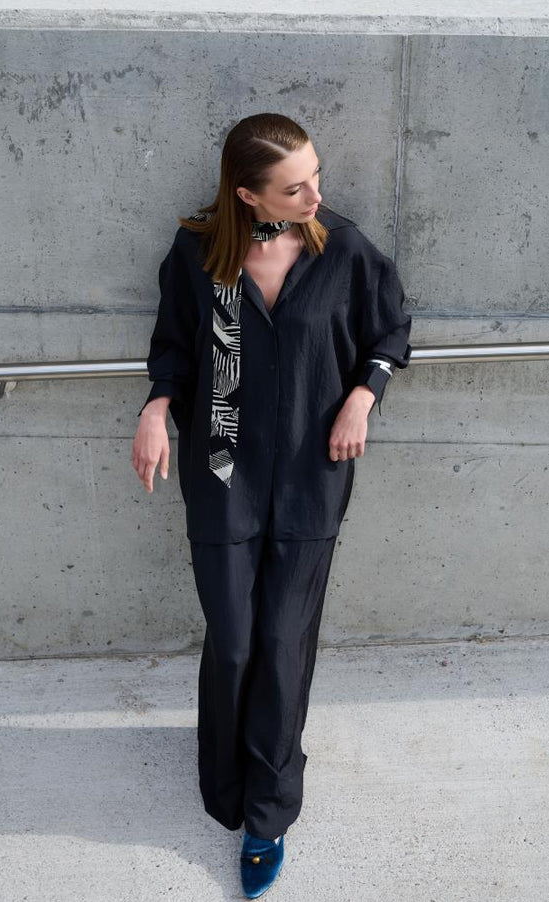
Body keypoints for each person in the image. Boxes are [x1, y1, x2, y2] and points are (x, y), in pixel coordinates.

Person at [131, 112, 412, 898]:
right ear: (249, 194)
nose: (317, 194)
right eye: (296, 186)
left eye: (316, 176)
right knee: (232, 644)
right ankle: (224, 777)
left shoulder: (342, 248)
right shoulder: (200, 254)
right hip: (221, 473)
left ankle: (269, 812)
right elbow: (175, 350)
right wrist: (156, 408)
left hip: (312, 477)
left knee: (283, 645)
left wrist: (363, 394)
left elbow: (392, 329)